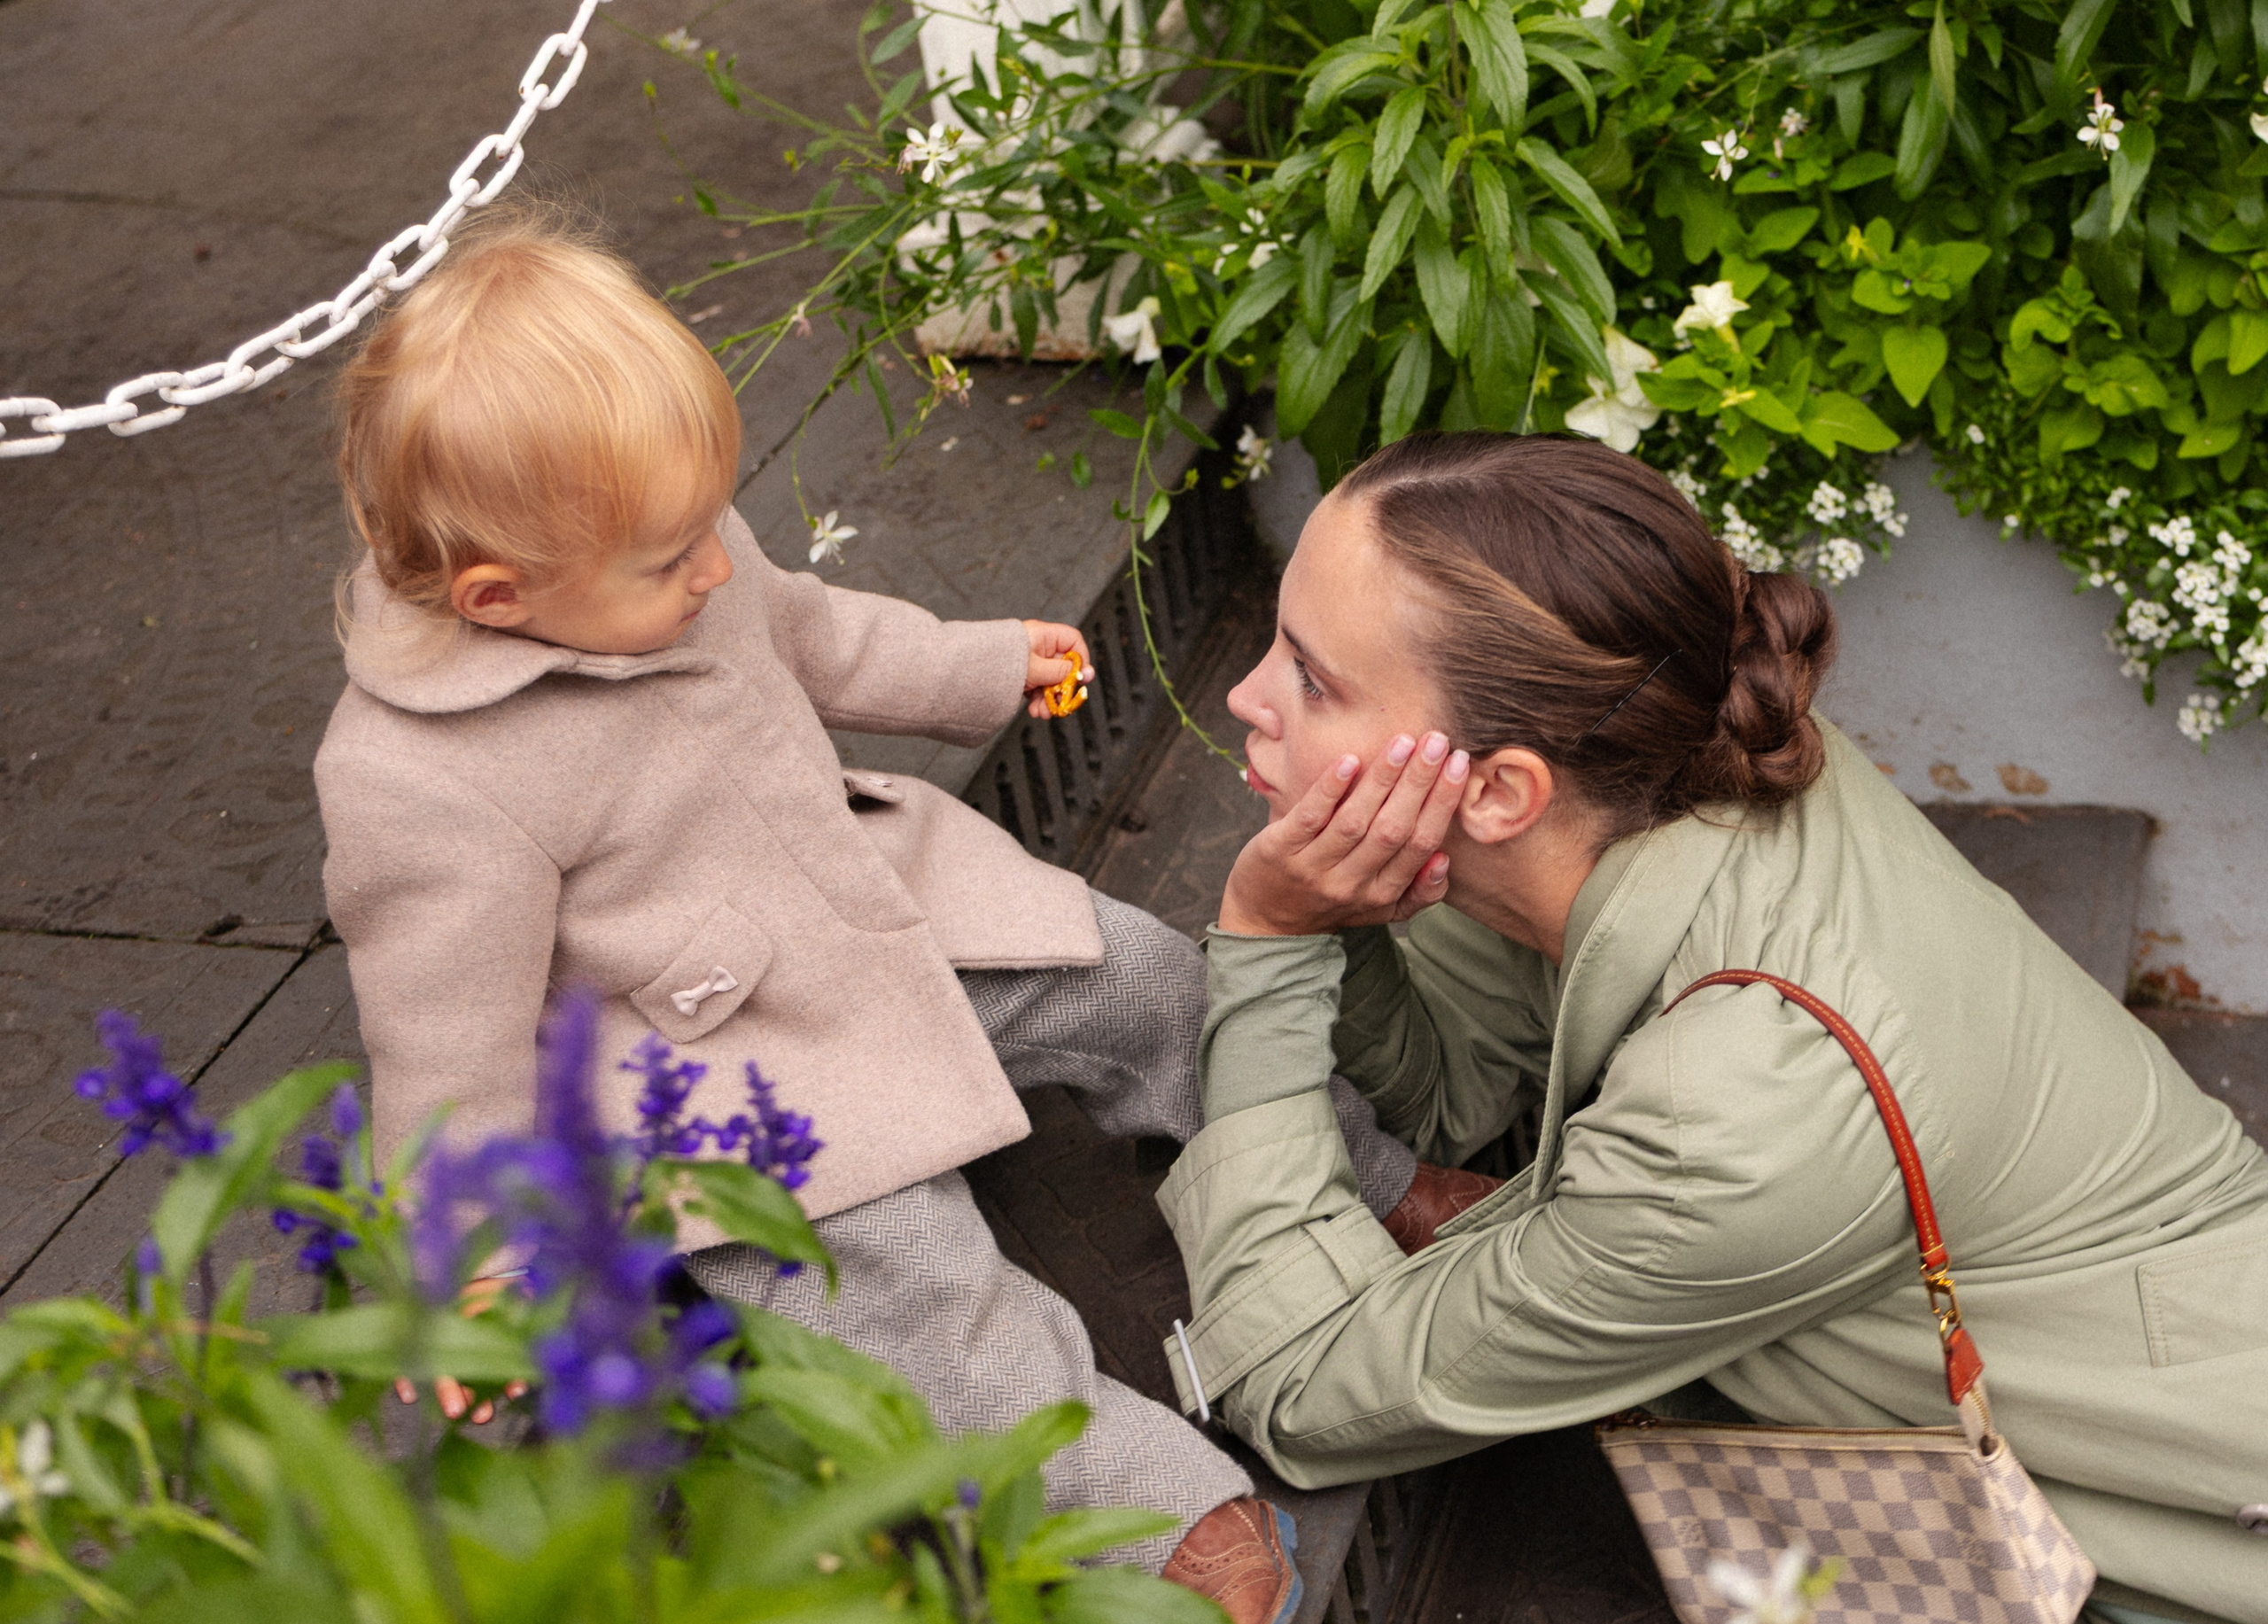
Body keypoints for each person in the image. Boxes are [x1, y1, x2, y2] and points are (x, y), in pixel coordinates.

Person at [310, 208, 1453, 1621]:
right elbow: (444, 1052)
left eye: (706, 528)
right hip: (725, 1067)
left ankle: (1372, 1172)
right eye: (675, 562)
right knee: (914, 1294)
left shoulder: (650, 543)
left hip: (878, 905)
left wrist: (976, 669)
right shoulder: (420, 781)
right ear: (499, 596)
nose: (714, 569)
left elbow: (810, 628)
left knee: (1146, 972)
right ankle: (1153, 1506)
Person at [1155, 431, 2268, 1624]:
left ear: (1495, 792)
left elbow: (1291, 1379)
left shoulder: (1735, 1110)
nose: (1243, 697)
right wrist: (1343, 913)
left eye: (1312, 679)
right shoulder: (1662, 764)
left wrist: (1269, 943)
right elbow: (1451, 1088)